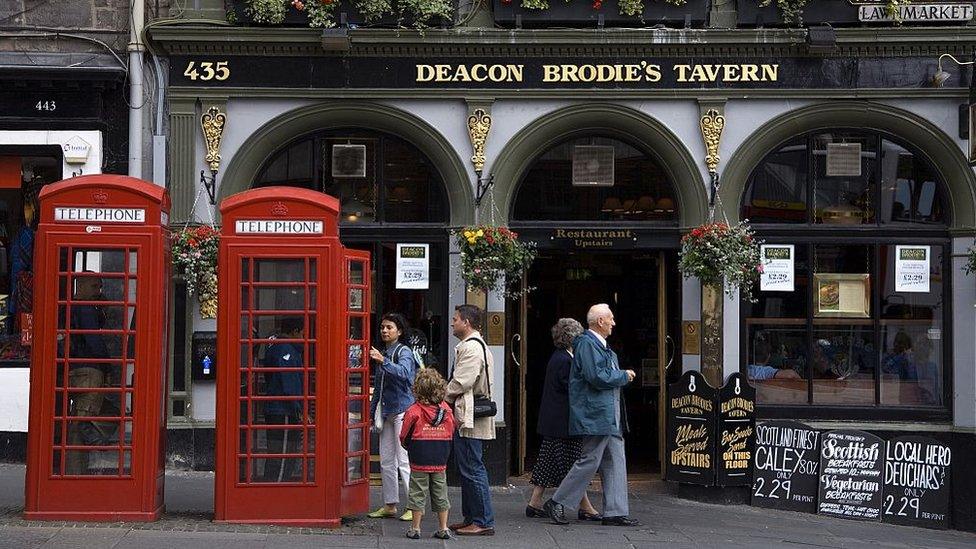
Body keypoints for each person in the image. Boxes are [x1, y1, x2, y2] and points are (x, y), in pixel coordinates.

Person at [544, 304, 640, 527]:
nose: (613, 323)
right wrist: (623, 375)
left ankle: (615, 511)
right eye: (611, 319)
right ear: (600, 322)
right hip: (597, 414)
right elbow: (596, 376)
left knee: (615, 459)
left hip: (609, 413)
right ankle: (558, 500)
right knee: (590, 459)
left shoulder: (601, 346)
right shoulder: (587, 344)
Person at [525, 318, 601, 521]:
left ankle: (534, 503)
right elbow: (573, 390)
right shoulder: (566, 361)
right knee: (575, 465)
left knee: (547, 462)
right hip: (563, 422)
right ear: (572, 338)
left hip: (553, 421)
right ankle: (585, 507)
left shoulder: (558, 357)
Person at [445, 304, 496, 536]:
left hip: (469, 416)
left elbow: (462, 382)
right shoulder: (472, 345)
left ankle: (483, 521)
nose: (453, 322)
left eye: (455, 319)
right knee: (467, 467)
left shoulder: (472, 349)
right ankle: (471, 517)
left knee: (473, 468)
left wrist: (439, 396)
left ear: (466, 322)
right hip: (466, 414)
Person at [368, 312, 420, 521]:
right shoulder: (384, 352)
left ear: (399, 331)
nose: (385, 331)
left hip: (402, 411)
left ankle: (413, 506)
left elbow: (406, 374)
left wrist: (384, 362)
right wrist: (372, 413)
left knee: (404, 460)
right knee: (387, 460)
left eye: (389, 327)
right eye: (382, 327)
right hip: (387, 411)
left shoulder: (403, 351)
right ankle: (390, 504)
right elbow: (379, 388)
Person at [400, 368, 455, 540]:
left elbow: (404, 435)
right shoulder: (446, 410)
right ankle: (444, 527)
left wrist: (407, 446)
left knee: (417, 491)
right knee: (440, 492)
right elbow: (451, 430)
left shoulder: (413, 411)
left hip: (419, 457)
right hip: (440, 456)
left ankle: (415, 528)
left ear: (417, 389)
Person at [65, 274, 110, 474]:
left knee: (78, 426)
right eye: (94, 286)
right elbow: (94, 340)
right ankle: (76, 474)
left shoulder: (75, 306)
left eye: (100, 287)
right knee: (84, 424)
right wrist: (109, 365)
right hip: (89, 371)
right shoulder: (84, 307)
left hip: (73, 369)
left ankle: (75, 473)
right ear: (80, 286)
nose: (98, 291)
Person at [262, 316, 305, 482]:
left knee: (277, 451)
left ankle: (272, 486)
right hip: (284, 409)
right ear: (294, 332)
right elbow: (289, 382)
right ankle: (277, 487)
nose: (303, 338)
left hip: (276, 406)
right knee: (284, 454)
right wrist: (299, 408)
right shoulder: (286, 349)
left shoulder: (275, 347)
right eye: (302, 333)